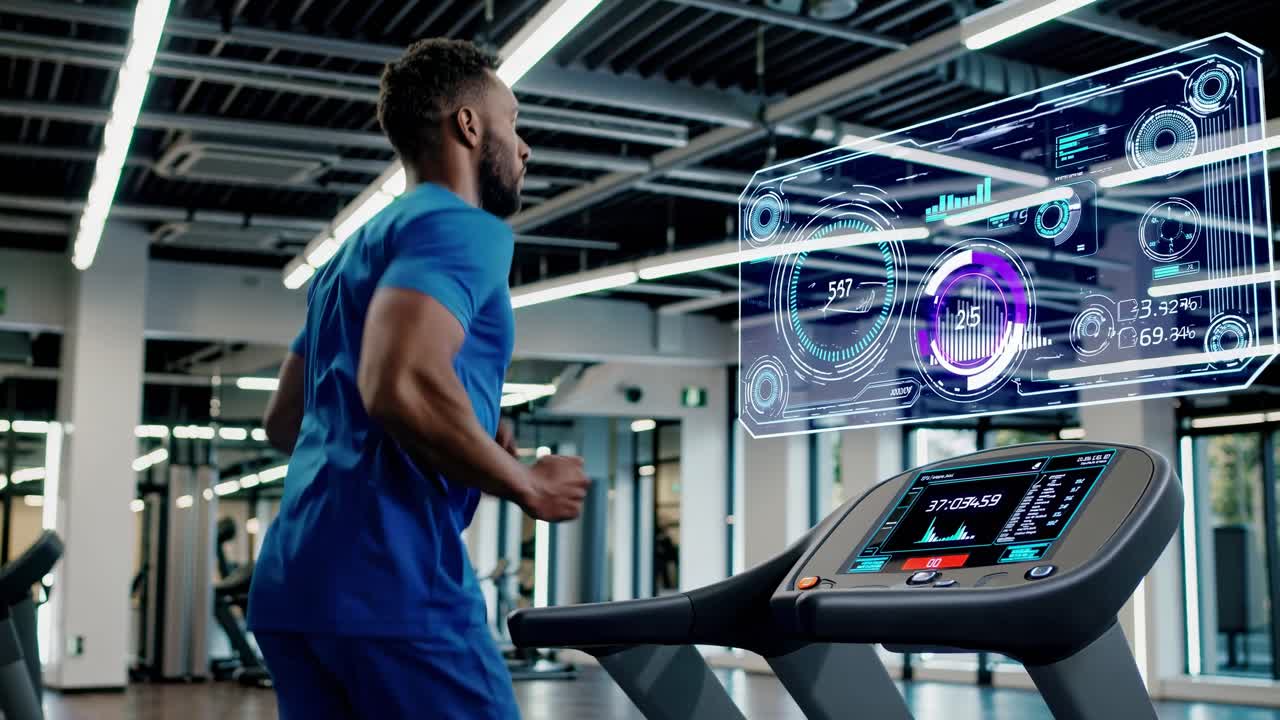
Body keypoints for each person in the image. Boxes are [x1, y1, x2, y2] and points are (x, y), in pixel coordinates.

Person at [248, 38, 591, 720]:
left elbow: (287, 422)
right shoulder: (462, 225)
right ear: (469, 126)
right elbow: (399, 382)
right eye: (513, 122)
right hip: (394, 580)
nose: (523, 148)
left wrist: (466, 421)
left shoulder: (348, 257)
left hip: (295, 584)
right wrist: (525, 483)